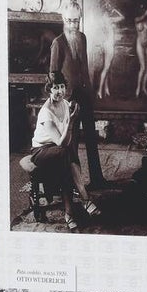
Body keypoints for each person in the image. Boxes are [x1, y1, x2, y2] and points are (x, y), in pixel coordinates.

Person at [23, 71, 101, 231]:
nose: (59, 91)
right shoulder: (46, 112)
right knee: (65, 153)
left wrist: (71, 119)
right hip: (41, 151)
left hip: (59, 151)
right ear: (49, 90)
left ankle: (69, 213)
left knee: (64, 164)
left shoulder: (65, 104)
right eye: (55, 88)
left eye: (61, 87)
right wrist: (72, 121)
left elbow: (66, 141)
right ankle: (84, 198)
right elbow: (60, 141)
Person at [50, 1, 105, 186]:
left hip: (85, 95)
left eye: (77, 21)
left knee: (91, 138)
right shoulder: (57, 43)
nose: (73, 25)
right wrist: (62, 101)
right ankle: (74, 183)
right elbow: (53, 76)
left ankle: (97, 179)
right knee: (71, 143)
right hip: (69, 99)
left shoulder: (82, 37)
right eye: (70, 21)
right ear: (63, 19)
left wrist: (90, 92)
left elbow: (84, 68)